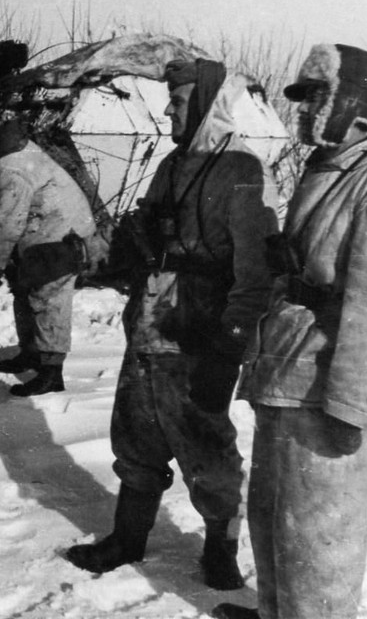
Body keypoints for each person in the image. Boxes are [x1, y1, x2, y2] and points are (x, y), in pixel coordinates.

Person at [213, 45, 367, 619]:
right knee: (273, 516)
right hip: (292, 374)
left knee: (317, 537)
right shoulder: (331, 168)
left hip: (327, 388)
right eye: (304, 99)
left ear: (352, 104)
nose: (304, 110)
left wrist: (351, 405)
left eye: (316, 98)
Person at [65, 58, 280, 591]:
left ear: (206, 106)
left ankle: (220, 550)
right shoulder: (171, 164)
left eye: (178, 102)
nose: (167, 111)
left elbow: (256, 273)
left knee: (205, 442)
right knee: (135, 429)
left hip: (199, 331)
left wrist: (231, 345)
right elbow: (142, 232)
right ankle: (128, 537)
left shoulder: (242, 170)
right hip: (150, 322)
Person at [0, 117, 104, 398]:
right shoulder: (18, 151)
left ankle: (51, 372)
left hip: (63, 236)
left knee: (49, 296)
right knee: (24, 290)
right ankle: (32, 353)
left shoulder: (10, 168)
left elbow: (9, 222)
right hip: (49, 228)